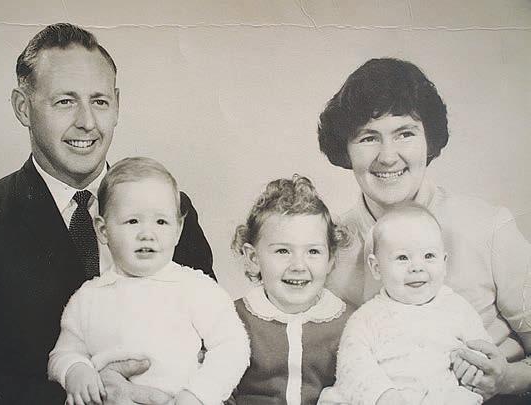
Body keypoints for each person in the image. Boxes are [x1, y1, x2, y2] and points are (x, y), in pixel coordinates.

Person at [0, 23, 213, 405]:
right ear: (23, 108)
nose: (87, 122)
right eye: (65, 101)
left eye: (100, 101)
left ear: (117, 105)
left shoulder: (171, 209)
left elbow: (212, 343)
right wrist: (90, 398)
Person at [317, 57, 531, 403]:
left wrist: (507, 379)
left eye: (405, 133)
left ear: (429, 139)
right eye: (368, 137)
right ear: (346, 149)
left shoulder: (487, 227)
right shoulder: (326, 246)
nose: (388, 157)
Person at [48, 157, 249, 405]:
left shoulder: (196, 288)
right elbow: (63, 353)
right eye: (133, 221)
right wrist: (76, 370)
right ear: (103, 230)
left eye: (161, 221)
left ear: (178, 230)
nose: (147, 234)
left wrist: (197, 396)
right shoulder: (87, 298)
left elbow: (233, 346)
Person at [319, 203, 490, 405]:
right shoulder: (367, 317)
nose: (417, 267)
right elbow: (352, 365)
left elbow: (483, 346)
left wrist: (472, 364)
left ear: (444, 263)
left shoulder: (458, 308)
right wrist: (384, 396)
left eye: (429, 256)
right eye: (402, 257)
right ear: (376, 268)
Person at [228, 175, 353, 405]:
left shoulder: (350, 323)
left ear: (330, 260)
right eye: (283, 251)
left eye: (313, 252)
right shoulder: (232, 319)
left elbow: (364, 383)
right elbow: (214, 386)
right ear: (253, 258)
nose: (298, 266)